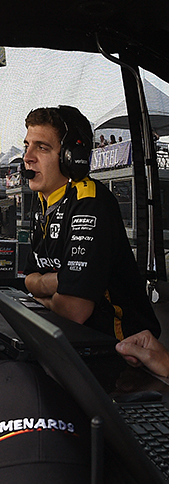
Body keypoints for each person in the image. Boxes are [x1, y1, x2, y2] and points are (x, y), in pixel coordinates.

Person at [23, 106, 159, 340]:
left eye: (42, 147)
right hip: (71, 338)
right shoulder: (42, 201)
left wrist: (43, 292)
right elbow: (28, 279)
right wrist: (57, 282)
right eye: (27, 146)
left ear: (71, 157)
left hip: (119, 346)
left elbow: (73, 310)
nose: (27, 158)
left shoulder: (91, 202)